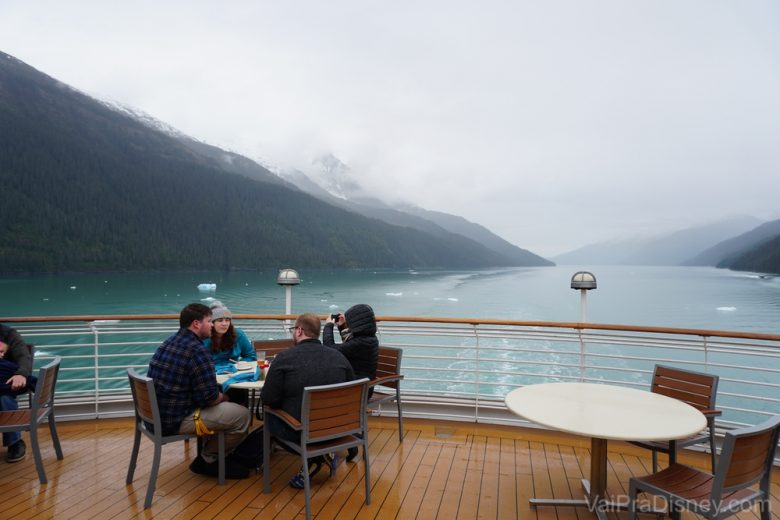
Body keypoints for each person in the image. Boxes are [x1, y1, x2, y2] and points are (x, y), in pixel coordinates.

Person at [147, 303, 251, 479]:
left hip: (157, 415)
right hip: (176, 420)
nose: (212, 325)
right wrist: (225, 397)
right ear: (196, 324)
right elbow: (209, 398)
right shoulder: (197, 351)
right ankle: (209, 459)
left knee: (227, 410)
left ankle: (213, 452)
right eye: (210, 321)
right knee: (242, 416)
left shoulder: (169, 342)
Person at [261, 312, 355, 489]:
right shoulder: (339, 357)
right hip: (339, 428)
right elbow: (351, 386)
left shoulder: (284, 358)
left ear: (299, 331)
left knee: (268, 418)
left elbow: (269, 399)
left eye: (292, 330)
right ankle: (324, 454)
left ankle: (315, 456)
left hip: (302, 432)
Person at [323, 304, 379, 461]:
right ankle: (344, 441)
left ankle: (331, 441)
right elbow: (348, 349)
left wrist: (328, 326)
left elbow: (330, 350)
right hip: (357, 386)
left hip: (356, 392)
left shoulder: (362, 342)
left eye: (349, 321)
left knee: (319, 400)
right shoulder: (367, 339)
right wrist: (341, 328)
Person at [202, 301, 256, 405]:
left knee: (239, 396)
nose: (224, 323)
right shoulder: (204, 337)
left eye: (227, 320)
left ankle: (241, 416)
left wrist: (238, 365)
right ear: (212, 322)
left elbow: (251, 356)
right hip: (212, 381)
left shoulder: (238, 334)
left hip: (234, 378)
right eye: (220, 320)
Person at [0, 323, 34, 463]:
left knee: (4, 398)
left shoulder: (9, 333)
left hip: (6, 382)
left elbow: (23, 356)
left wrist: (21, 374)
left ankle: (15, 442)